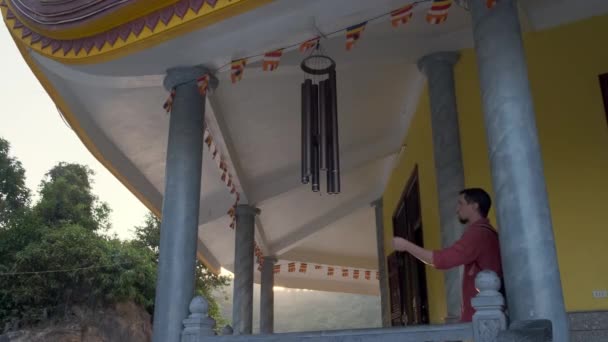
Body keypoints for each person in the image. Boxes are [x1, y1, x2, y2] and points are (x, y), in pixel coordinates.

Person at [392, 188, 502, 322]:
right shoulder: (487, 232)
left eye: (461, 203)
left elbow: (442, 260)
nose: (457, 209)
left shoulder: (478, 234)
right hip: (488, 315)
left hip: (484, 318)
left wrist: (406, 246)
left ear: (474, 206)